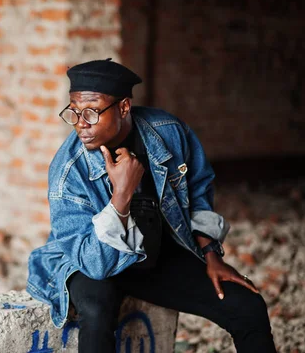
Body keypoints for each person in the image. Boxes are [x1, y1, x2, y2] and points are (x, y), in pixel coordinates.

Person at [26, 59, 276, 352]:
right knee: (96, 311)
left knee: (247, 305)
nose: (82, 123)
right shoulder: (68, 170)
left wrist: (210, 252)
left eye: (92, 112)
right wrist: (121, 195)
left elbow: (198, 187)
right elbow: (94, 264)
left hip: (151, 254)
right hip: (88, 261)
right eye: (74, 112)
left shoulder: (168, 132)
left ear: (123, 107)